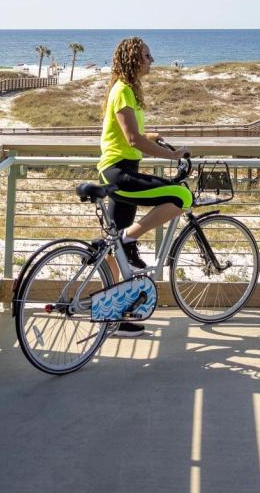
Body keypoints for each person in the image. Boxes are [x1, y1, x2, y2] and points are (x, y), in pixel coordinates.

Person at [98, 37, 192, 337]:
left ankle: (115, 315)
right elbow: (132, 140)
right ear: (134, 60)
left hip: (122, 169)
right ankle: (129, 238)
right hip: (119, 173)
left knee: (113, 253)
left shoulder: (125, 91)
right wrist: (172, 155)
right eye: (147, 56)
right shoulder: (123, 90)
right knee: (181, 195)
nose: (152, 61)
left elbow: (134, 134)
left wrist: (152, 135)